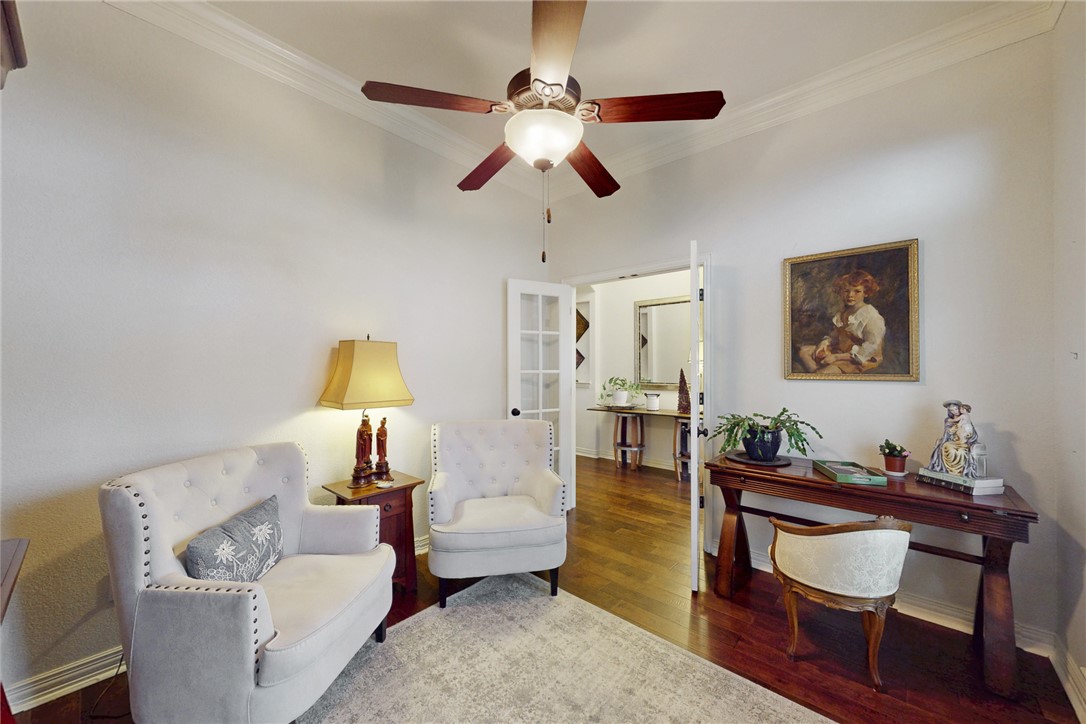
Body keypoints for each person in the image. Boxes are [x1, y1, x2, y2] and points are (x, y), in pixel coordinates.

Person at [798, 269, 886, 374]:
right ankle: (819, 373)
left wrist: (836, 357)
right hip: (841, 349)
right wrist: (823, 344)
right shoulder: (843, 313)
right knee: (803, 351)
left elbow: (870, 348)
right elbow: (835, 336)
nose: (850, 295)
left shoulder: (871, 316)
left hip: (859, 358)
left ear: (865, 293)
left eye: (857, 291)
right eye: (846, 291)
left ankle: (820, 374)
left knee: (821, 373)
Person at [927, 400, 978, 477]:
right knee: (947, 447)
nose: (954, 412)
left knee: (961, 452)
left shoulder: (965, 418)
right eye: (952, 410)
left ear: (960, 409)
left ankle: (959, 473)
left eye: (956, 409)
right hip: (952, 440)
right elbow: (947, 432)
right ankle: (950, 472)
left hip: (963, 442)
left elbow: (971, 432)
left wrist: (968, 436)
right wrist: (952, 431)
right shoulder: (948, 420)